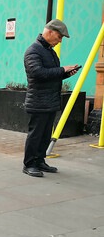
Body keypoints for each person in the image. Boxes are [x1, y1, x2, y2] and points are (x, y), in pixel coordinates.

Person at [22, 19, 80, 177]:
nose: (60, 41)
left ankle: (40, 161)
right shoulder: (33, 51)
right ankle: (29, 164)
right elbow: (37, 74)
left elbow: (50, 75)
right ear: (49, 32)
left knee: (45, 134)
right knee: (36, 134)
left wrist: (65, 73)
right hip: (38, 101)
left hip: (49, 101)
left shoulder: (49, 51)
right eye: (59, 37)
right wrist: (61, 69)